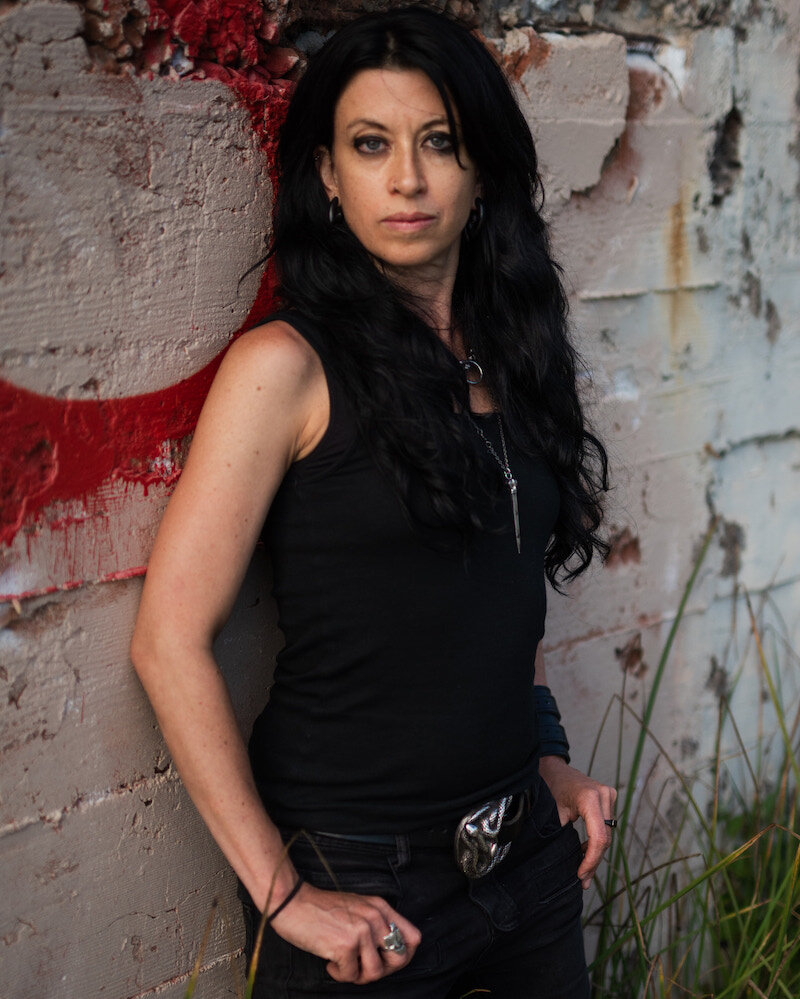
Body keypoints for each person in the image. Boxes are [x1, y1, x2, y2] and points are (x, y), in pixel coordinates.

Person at [130, 6, 618, 997]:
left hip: (527, 856)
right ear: (325, 173)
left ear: (481, 170)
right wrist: (283, 894)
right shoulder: (285, 368)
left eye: (438, 142)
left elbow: (502, 591)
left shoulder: (515, 354)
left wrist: (547, 756)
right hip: (364, 887)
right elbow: (167, 640)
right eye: (369, 145)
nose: (406, 179)